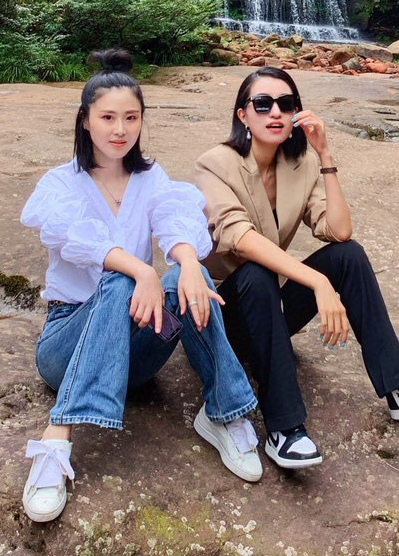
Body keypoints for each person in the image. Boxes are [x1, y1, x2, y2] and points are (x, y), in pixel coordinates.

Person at [19, 49, 262, 524]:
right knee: (119, 278)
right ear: (85, 120)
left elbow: (175, 217)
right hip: (67, 346)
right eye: (107, 117)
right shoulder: (60, 184)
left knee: (193, 277)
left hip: (134, 355)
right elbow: (81, 241)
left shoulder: (150, 178)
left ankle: (222, 413)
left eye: (131, 118)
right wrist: (143, 271)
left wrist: (187, 263)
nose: (120, 129)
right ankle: (57, 437)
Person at [194, 66, 399, 469]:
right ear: (242, 115)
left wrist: (325, 156)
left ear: (297, 113)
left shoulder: (299, 164)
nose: (275, 113)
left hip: (270, 316)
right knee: (256, 270)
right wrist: (318, 283)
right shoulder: (215, 164)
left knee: (348, 254)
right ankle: (284, 429)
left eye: (286, 104)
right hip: (223, 319)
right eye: (263, 104)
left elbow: (338, 231)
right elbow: (239, 238)